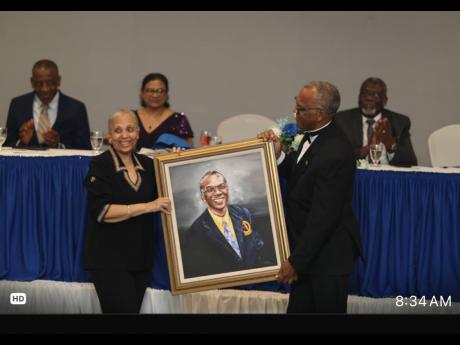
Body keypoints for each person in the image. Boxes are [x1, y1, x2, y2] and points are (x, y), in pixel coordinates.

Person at [258, 81, 363, 313]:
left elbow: (323, 217)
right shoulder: (313, 136)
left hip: (327, 260)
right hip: (310, 256)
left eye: (301, 109)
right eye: (296, 104)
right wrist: (278, 156)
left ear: (320, 114)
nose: (295, 112)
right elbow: (300, 176)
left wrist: (296, 261)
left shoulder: (335, 150)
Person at [83, 110, 172, 313]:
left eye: (130, 129)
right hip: (109, 261)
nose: (125, 135)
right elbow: (103, 212)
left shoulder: (149, 165)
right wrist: (149, 206)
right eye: (118, 130)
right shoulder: (100, 165)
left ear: (138, 133)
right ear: (109, 136)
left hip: (140, 260)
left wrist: (176, 159)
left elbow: (170, 199)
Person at [183, 170, 272, 278]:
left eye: (221, 186)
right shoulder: (197, 230)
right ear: (203, 197)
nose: (218, 192)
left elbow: (259, 248)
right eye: (210, 189)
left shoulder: (243, 213)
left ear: (227, 189)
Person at [5, 59, 91, 149]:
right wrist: (22, 143)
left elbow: (85, 148)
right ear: (32, 82)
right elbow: (6, 145)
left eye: (50, 83)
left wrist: (58, 146)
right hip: (25, 163)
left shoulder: (76, 109)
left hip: (63, 163)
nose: (44, 89)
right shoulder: (17, 105)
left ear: (58, 80)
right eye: (39, 83)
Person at [334, 77, 417, 167]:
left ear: (385, 100)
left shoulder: (399, 122)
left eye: (375, 94)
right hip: (355, 176)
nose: (369, 98)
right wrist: (366, 149)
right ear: (359, 97)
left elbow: (410, 161)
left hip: (387, 176)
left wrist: (390, 145)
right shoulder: (342, 120)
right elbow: (335, 157)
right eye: (365, 93)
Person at [133, 73, 194, 150]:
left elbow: (189, 151)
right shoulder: (131, 117)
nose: (155, 95)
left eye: (160, 91)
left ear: (167, 94)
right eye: (150, 90)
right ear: (142, 93)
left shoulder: (178, 119)